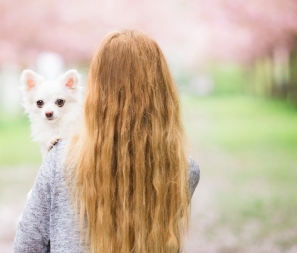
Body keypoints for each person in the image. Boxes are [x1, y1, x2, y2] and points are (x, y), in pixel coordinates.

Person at [14, 29, 200, 253]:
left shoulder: (61, 158)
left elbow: (27, 246)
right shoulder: (184, 170)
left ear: (96, 91)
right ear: (164, 93)